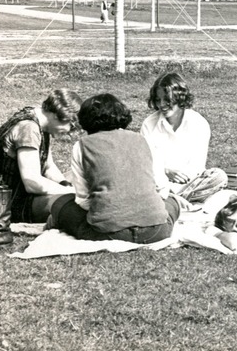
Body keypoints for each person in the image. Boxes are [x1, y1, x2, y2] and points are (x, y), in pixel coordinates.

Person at [0, 89, 83, 253]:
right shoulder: (28, 128)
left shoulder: (40, 124)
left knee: (79, 176)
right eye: (70, 125)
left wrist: (66, 183)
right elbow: (32, 182)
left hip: (22, 194)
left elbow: (48, 166)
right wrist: (69, 192)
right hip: (8, 203)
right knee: (71, 202)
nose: (70, 130)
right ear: (59, 115)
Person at [49, 94, 181, 243]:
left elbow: (82, 200)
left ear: (85, 121)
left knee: (60, 204)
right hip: (156, 231)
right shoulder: (144, 141)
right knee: (173, 201)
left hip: (108, 233)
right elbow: (162, 189)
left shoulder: (81, 146)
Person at [140, 73, 227, 204]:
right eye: (158, 100)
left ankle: (173, 201)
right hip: (157, 182)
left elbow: (196, 167)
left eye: (167, 100)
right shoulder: (149, 124)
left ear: (179, 98)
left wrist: (178, 182)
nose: (162, 105)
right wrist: (167, 172)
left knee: (219, 176)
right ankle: (176, 201)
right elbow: (147, 164)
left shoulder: (198, 123)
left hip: (190, 183)